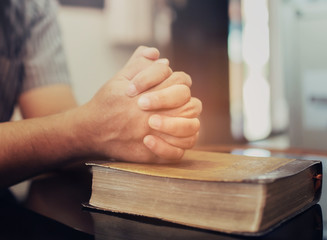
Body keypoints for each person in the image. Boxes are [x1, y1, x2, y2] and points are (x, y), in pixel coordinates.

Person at [0, 0, 202, 188]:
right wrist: (91, 129)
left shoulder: (35, 8)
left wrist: (145, 119)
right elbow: (71, 131)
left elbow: (55, 125)